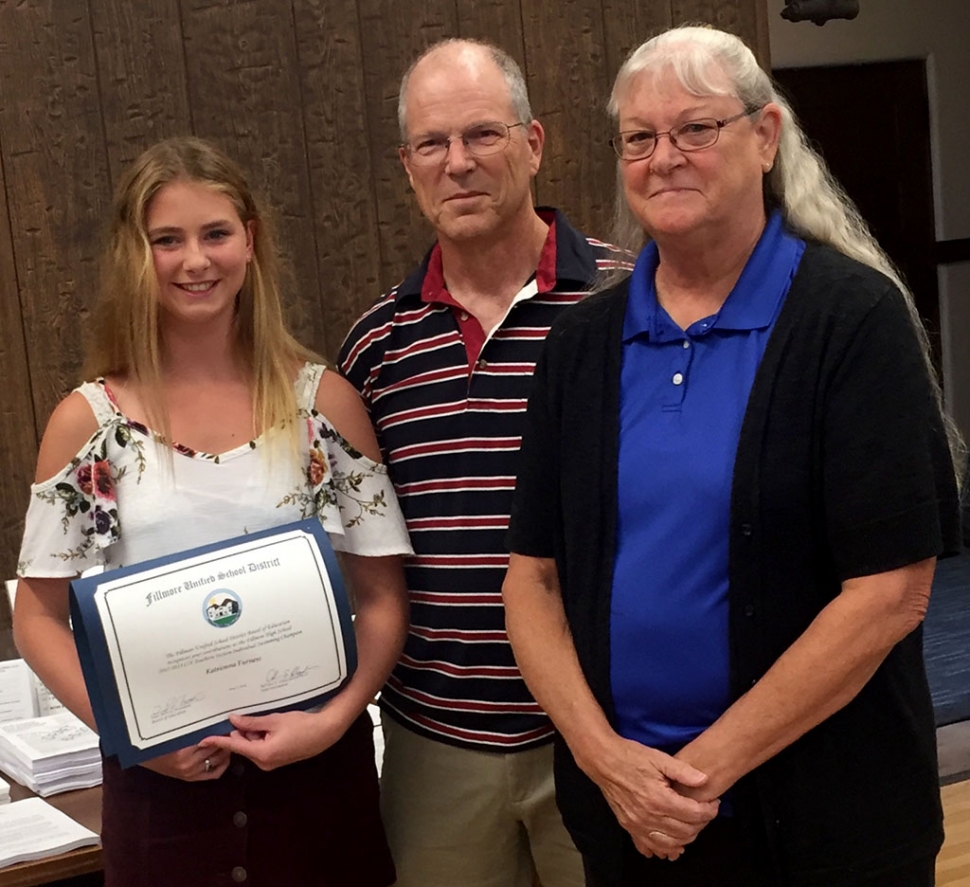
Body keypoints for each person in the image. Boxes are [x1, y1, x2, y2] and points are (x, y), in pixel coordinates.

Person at [503, 24, 963, 887]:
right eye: (639, 138)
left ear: (766, 136)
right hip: (629, 820)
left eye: (695, 129)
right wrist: (611, 764)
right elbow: (530, 580)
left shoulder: (852, 322)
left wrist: (698, 774)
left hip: (822, 824)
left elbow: (892, 592)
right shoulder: (582, 346)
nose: (663, 156)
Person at [14, 136, 411, 887]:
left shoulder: (321, 407)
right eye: (168, 240)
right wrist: (130, 733)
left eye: (216, 233)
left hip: (318, 784)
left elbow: (383, 597)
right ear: (136, 254)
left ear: (250, 242)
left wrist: (334, 718)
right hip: (163, 795)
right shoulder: (89, 425)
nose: (196, 260)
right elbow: (38, 618)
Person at [338, 38, 630, 887]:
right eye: (432, 144)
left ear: (533, 144)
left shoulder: (629, 303)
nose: (457, 163)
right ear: (407, 165)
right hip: (437, 747)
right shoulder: (376, 345)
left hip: (602, 732)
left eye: (482, 136)